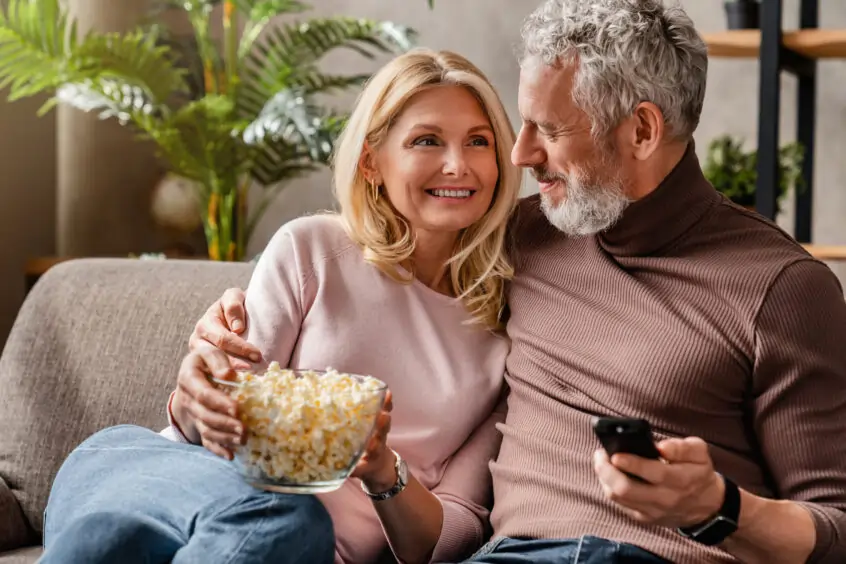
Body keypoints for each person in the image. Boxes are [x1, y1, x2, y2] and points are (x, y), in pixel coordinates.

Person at [192, 1, 846, 563]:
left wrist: (721, 507)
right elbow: (387, 240)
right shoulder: (523, 235)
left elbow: (836, 526)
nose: (519, 154)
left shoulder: (780, 288)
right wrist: (212, 355)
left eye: (549, 130)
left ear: (642, 130)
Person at [41, 48, 523, 564]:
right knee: (268, 517)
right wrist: (197, 396)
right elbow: (206, 427)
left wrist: (381, 465)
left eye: (479, 142)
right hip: (148, 474)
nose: (459, 165)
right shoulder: (313, 250)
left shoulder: (506, 328)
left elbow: (449, 536)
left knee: (263, 527)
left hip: (280, 543)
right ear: (370, 162)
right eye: (427, 140)